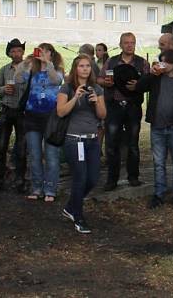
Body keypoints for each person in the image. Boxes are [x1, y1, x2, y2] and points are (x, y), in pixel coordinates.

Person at [136, 49, 173, 209]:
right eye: (161, 61)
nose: (163, 64)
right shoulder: (156, 78)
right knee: (159, 163)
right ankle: (159, 194)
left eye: (166, 61)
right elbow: (139, 87)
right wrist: (151, 74)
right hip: (157, 127)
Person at [57, 54, 107, 234]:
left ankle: (71, 207)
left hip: (92, 139)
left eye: (88, 66)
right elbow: (61, 112)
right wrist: (75, 96)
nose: (85, 69)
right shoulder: (67, 87)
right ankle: (78, 216)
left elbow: (102, 115)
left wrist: (95, 102)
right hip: (74, 139)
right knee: (80, 178)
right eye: (81, 66)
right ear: (75, 68)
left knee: (92, 178)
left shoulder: (97, 89)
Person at [100, 32, 149, 190]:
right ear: (120, 44)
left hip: (133, 106)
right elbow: (99, 79)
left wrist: (138, 85)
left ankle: (133, 177)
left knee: (133, 144)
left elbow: (150, 83)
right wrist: (106, 83)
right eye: (126, 42)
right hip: (114, 105)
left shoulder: (142, 63)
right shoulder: (111, 61)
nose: (130, 45)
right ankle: (111, 180)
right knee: (112, 144)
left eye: (132, 42)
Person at [16, 43, 64, 202]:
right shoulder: (32, 71)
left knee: (51, 155)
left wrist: (47, 63)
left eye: (46, 51)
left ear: (52, 53)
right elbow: (17, 79)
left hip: (51, 116)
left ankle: (51, 189)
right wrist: (25, 62)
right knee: (35, 154)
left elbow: (56, 81)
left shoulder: (56, 70)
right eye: (40, 50)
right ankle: (36, 188)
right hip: (32, 116)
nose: (42, 53)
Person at [0, 39, 28, 193]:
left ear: (23, 52)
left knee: (22, 148)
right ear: (9, 53)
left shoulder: (29, 70)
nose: (16, 53)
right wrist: (4, 89)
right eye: (13, 51)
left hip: (22, 112)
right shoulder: (4, 70)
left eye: (19, 50)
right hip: (6, 109)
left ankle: (20, 181)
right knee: (1, 147)